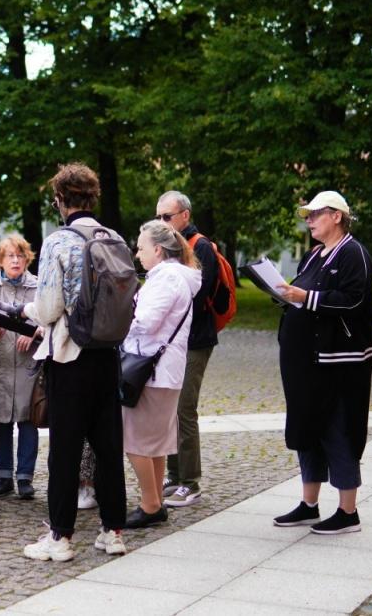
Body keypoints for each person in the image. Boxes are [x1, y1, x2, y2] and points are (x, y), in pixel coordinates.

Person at [22, 163, 127, 561]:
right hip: (108, 352)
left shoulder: (58, 241)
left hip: (70, 354)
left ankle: (61, 537)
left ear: (60, 200)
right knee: (107, 446)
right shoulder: (113, 237)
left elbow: (49, 307)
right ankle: (113, 531)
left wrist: (28, 310)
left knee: (65, 449)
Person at [273, 191, 372, 535]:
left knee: (338, 429)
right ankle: (309, 504)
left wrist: (306, 298)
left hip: (337, 361)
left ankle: (348, 512)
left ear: (336, 216)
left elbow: (353, 300)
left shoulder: (353, 253)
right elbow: (304, 294)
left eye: (316, 214)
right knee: (308, 428)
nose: (309, 219)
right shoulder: (314, 254)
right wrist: (286, 296)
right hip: (306, 360)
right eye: (308, 214)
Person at [122, 220, 201, 528]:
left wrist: (125, 313)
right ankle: (153, 501)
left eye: (141, 248)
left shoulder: (166, 278)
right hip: (163, 370)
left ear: (157, 249)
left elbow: (146, 322)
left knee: (136, 442)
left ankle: (151, 503)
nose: (137, 254)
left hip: (152, 371)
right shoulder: (176, 277)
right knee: (153, 443)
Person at [155, 190, 220, 507]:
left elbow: (195, 294)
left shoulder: (201, 247)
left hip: (195, 340)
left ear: (185, 216)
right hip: (173, 340)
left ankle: (190, 482)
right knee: (169, 407)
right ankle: (174, 473)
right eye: (158, 217)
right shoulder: (169, 249)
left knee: (184, 409)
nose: (162, 222)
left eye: (166, 216)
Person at [0, 235, 41, 501]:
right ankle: (4, 476)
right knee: (2, 420)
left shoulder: (39, 288)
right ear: (1, 260)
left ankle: (25, 477)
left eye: (19, 255)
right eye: (10, 256)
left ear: (27, 258)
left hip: (28, 363)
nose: (15, 260)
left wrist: (35, 332)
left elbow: (51, 320)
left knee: (28, 420)